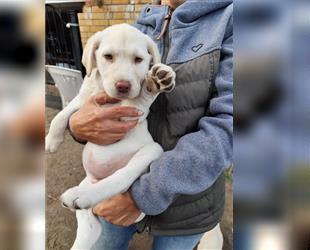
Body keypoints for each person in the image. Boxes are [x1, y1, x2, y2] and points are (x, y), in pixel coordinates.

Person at [68, 0, 233, 249]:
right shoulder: (141, 25)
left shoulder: (235, 21)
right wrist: (77, 124)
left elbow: (229, 128)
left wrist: (143, 195)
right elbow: (102, 94)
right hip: (113, 189)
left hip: (186, 205)